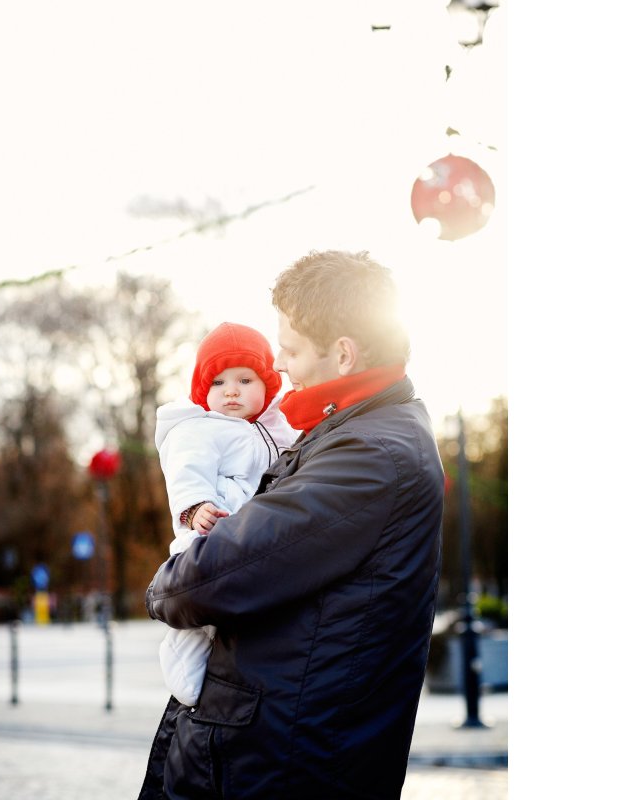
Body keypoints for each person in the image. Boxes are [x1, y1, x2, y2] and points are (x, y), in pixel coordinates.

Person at [139, 250, 444, 800]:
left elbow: (211, 578)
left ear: (343, 354)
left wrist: (163, 586)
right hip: (278, 750)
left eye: (292, 349)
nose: (279, 365)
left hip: (281, 763)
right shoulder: (352, 433)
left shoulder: (369, 454)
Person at [154, 321, 299, 708]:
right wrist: (195, 507)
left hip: (255, 533)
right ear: (203, 389)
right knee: (204, 600)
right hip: (211, 527)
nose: (231, 391)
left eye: (245, 380)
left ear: (267, 383)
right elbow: (186, 471)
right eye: (218, 382)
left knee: (239, 610)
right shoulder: (198, 429)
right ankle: (182, 648)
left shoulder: (279, 428)